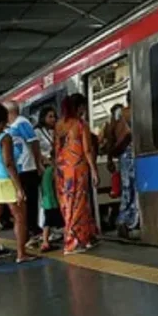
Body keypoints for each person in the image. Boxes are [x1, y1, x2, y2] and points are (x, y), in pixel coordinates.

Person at [0, 104, 34, 268]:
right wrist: (19, 187)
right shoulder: (5, 137)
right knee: (20, 217)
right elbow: (8, 163)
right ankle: (21, 253)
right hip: (5, 181)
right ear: (2, 120)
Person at [54, 94, 100, 255]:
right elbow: (87, 150)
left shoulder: (59, 125)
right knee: (78, 204)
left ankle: (85, 238)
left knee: (67, 205)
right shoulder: (81, 125)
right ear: (79, 107)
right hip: (77, 169)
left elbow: (57, 150)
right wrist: (94, 170)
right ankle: (72, 242)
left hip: (61, 171)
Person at [4, 101, 43, 238]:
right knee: (22, 202)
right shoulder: (9, 127)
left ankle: (32, 228)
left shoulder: (22, 123)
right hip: (17, 170)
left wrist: (38, 163)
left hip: (27, 168)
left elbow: (34, 142)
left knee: (30, 201)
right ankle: (27, 230)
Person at [108, 97, 137, 238]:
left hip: (124, 155)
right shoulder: (131, 113)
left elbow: (110, 136)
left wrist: (110, 157)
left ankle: (125, 219)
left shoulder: (119, 114)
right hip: (132, 153)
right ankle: (127, 220)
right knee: (132, 187)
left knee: (128, 188)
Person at [35, 107, 63, 252]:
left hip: (56, 168)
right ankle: (45, 239)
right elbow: (37, 152)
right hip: (47, 170)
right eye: (50, 116)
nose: (53, 119)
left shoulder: (55, 131)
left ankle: (49, 236)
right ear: (43, 117)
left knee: (54, 202)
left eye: (54, 116)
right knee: (49, 203)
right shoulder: (38, 133)